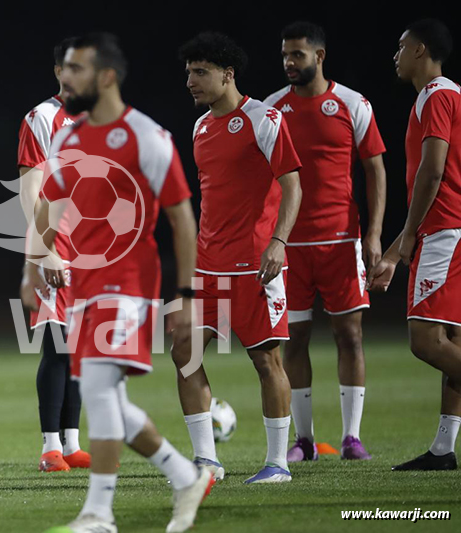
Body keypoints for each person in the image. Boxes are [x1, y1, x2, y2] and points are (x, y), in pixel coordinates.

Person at [32, 33, 212, 533]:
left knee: (98, 390)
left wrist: (186, 296)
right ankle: (185, 476)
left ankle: (99, 514)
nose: (66, 78)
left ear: (106, 76)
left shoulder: (147, 136)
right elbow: (47, 204)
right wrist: (34, 263)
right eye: (65, 68)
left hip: (129, 284)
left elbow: (182, 219)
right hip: (83, 286)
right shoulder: (68, 137)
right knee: (107, 399)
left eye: (77, 69)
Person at [176, 32, 303, 484]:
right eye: (189, 73)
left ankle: (277, 464)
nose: (191, 81)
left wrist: (279, 241)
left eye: (201, 72)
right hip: (207, 265)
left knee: (267, 361)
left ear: (228, 74)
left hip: (254, 264)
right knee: (184, 353)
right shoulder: (200, 127)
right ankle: (206, 460)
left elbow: (292, 186)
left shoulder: (263, 119)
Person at [263, 21, 387, 462]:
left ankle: (352, 438)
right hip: (289, 247)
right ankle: (305, 441)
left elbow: (375, 169)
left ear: (319, 56)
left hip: (341, 241)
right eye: (284, 54)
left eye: (297, 54)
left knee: (349, 335)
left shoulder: (352, 104)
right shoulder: (272, 110)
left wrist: (373, 233)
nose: (288, 62)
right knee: (293, 340)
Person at [369, 18, 461, 471]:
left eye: (402, 46)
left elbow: (433, 169)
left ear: (421, 50)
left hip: (444, 229)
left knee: (425, 340)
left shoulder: (436, 95)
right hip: (453, 227)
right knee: (453, 339)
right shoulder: (452, 94)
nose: (396, 55)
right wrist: (396, 248)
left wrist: (407, 238)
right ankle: (443, 450)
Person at [18, 37, 91, 473]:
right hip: (56, 244)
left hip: (93, 251)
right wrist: (44, 250)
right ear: (58, 72)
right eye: (69, 66)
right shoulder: (42, 117)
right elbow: (30, 188)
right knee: (57, 344)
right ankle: (50, 448)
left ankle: (72, 443)